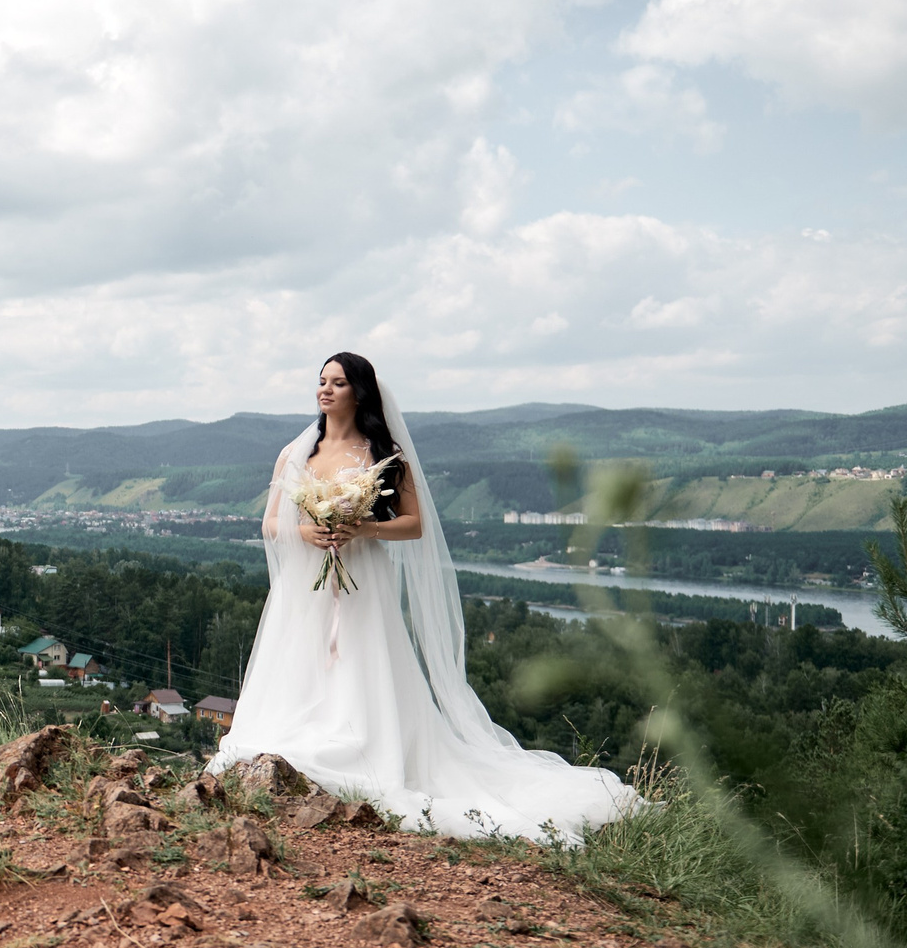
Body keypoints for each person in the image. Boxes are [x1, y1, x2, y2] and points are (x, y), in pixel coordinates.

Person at [208, 352, 635, 841]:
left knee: (359, 660)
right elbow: (269, 522)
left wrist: (363, 526)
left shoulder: (383, 456)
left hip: (363, 580)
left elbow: (414, 525)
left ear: (359, 392)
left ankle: (365, 745)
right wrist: (309, 533)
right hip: (305, 586)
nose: (325, 391)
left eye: (338, 383)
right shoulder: (296, 453)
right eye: (321, 382)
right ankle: (295, 739)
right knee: (302, 658)